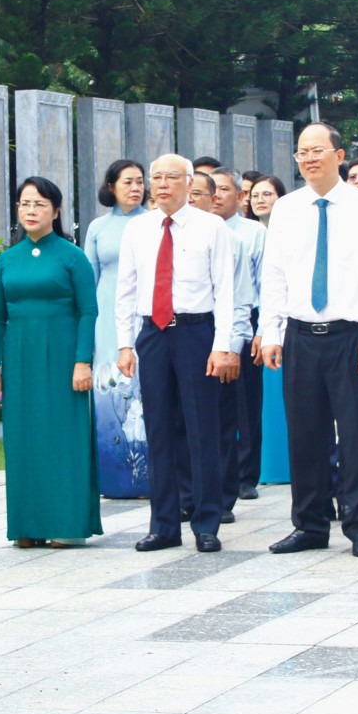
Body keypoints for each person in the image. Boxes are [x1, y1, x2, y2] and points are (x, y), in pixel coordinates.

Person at [259, 122, 358, 558]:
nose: (309, 157)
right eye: (302, 151)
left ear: (339, 154)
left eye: (318, 149)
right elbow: (274, 273)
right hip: (299, 335)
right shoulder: (287, 208)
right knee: (305, 434)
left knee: (356, 435)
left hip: (350, 336)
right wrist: (271, 331)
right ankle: (310, 524)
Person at [115, 154, 240, 553]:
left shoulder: (211, 227)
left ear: (190, 183)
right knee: (159, 430)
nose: (162, 184)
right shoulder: (138, 229)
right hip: (153, 333)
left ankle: (206, 522)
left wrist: (223, 345)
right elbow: (126, 289)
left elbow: (225, 292)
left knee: (202, 429)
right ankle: (164, 524)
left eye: (172, 177)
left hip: (196, 333)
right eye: (157, 177)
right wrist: (124, 343)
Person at [0, 177, 100, 548]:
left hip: (64, 357)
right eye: (24, 204)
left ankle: (66, 524)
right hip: (20, 358)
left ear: (56, 211)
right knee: (24, 439)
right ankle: (27, 525)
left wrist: (83, 361)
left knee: (64, 437)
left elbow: (88, 311)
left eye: (39, 204)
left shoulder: (71, 255)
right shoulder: (6, 260)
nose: (30, 211)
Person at [187, 170, 258, 522]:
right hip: (183, 339)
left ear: (213, 199)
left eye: (198, 193)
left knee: (221, 423)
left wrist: (232, 347)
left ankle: (223, 496)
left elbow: (242, 299)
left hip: (222, 342)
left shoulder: (234, 241)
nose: (190, 199)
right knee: (183, 422)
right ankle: (188, 495)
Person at [83, 160, 150, 498]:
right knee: (110, 393)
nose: (135, 187)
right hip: (106, 318)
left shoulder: (154, 223)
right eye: (128, 182)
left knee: (147, 393)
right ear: (111, 186)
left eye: (140, 181)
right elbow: (88, 280)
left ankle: (153, 479)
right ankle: (114, 480)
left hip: (147, 314)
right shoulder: (97, 228)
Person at [209, 169, 268, 504]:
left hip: (248, 319)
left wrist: (261, 331)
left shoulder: (252, 233)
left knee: (246, 404)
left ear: (239, 196)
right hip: (209, 321)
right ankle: (220, 473)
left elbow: (262, 283)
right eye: (210, 189)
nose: (216, 195)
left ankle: (246, 475)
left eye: (224, 189)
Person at [245, 174, 292, 485]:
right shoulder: (247, 234)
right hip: (256, 318)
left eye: (268, 194)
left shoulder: (289, 231)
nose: (260, 200)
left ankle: (283, 465)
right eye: (255, 195)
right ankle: (262, 466)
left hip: (283, 319)